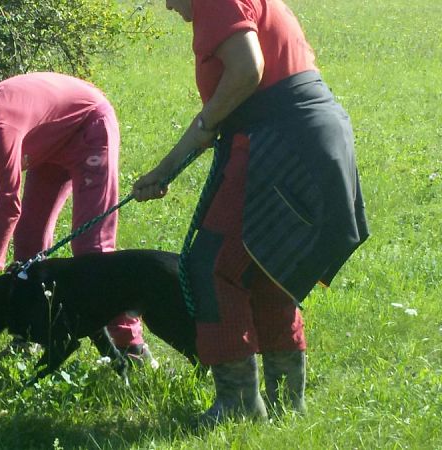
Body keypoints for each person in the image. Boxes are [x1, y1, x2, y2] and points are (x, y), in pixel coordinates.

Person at [133, 0, 369, 424]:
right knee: (266, 268)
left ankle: (239, 406)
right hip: (303, 138)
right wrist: (164, 170)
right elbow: (232, 100)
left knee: (213, 265)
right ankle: (286, 409)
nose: (166, 4)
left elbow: (246, 71)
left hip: (278, 144)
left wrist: (203, 130)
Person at [0, 72, 157, 365]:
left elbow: (9, 203)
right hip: (49, 146)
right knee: (28, 244)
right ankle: (32, 334)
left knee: (92, 251)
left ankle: (130, 345)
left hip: (89, 128)